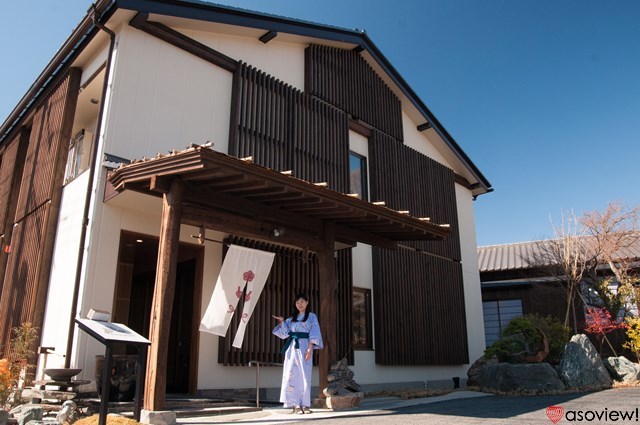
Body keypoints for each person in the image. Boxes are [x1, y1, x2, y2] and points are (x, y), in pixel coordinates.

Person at [272, 292, 323, 414]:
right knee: (291, 375)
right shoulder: (291, 319)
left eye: (302, 301)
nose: (300, 304)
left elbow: (314, 332)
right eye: (297, 302)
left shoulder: (311, 317)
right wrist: (282, 322)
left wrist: (310, 348)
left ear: (307, 302)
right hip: (292, 349)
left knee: (305, 374)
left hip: (305, 347)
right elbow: (284, 334)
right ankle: (294, 405)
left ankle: (305, 405)